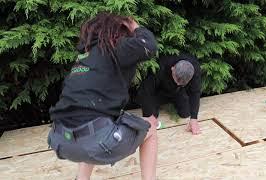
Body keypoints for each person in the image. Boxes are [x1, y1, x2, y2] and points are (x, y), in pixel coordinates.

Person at [48, 12, 158, 180]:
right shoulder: (116, 47)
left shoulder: (84, 56)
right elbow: (148, 46)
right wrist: (134, 26)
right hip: (95, 142)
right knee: (151, 124)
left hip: (59, 140)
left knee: (92, 121)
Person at [137, 54, 201, 135]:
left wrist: (194, 118)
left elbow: (195, 92)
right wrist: (149, 115)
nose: (177, 83)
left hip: (178, 92)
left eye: (181, 83)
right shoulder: (162, 66)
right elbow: (145, 91)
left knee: (186, 113)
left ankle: (173, 101)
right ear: (172, 69)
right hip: (159, 92)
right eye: (176, 80)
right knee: (152, 118)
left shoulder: (195, 69)